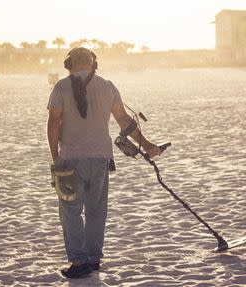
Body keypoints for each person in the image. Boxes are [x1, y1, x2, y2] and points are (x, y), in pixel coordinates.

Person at [47, 47, 161, 279]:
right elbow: (124, 121)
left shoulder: (60, 86)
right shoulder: (107, 86)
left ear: (69, 64)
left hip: (69, 158)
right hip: (100, 159)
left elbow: (52, 125)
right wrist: (147, 145)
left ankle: (79, 263)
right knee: (97, 210)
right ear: (93, 64)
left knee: (70, 211)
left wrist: (55, 158)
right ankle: (93, 259)